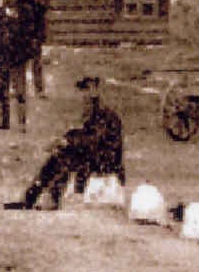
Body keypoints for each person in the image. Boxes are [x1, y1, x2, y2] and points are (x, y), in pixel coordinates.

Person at [7, 76, 123, 209]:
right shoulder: (93, 111)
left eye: (87, 90)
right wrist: (62, 141)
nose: (84, 95)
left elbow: (94, 140)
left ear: (95, 90)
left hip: (106, 162)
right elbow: (82, 135)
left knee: (67, 157)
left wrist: (67, 141)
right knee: (59, 155)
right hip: (95, 156)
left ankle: (50, 198)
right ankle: (30, 198)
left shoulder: (105, 115)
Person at [0, 0, 37, 131]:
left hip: (17, 57)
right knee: (1, 90)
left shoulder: (25, 14)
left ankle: (22, 122)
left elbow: (30, 34)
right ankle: (4, 121)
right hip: (1, 56)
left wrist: (26, 51)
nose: (9, 0)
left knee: (19, 91)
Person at [9, 0, 49, 98]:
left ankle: (38, 89)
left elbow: (42, 11)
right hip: (22, 33)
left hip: (33, 33)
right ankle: (20, 88)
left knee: (34, 62)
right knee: (21, 62)